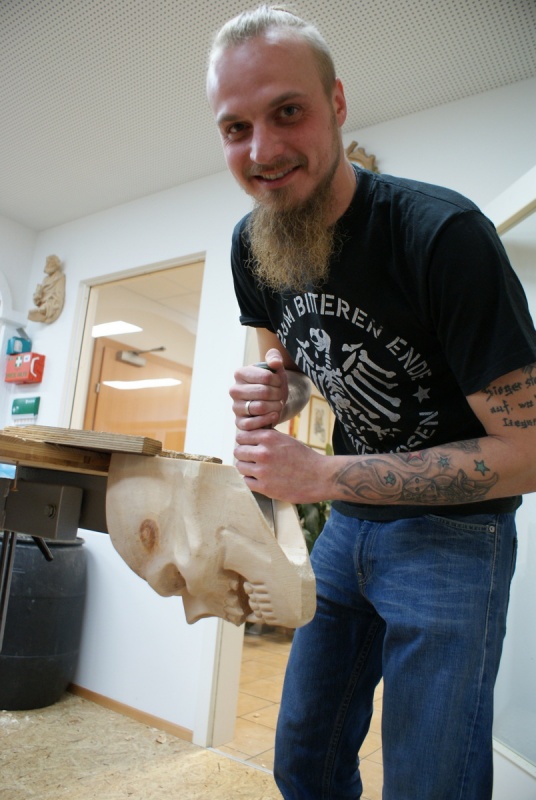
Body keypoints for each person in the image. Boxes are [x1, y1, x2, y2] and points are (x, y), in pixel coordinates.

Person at [206, 6, 536, 799]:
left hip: (457, 535)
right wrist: (275, 391)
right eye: (236, 127)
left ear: (338, 103)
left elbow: (528, 454)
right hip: (348, 528)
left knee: (429, 782)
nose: (263, 150)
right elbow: (290, 371)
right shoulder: (253, 243)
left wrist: (321, 477)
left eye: (288, 111)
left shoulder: (443, 234)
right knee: (305, 761)